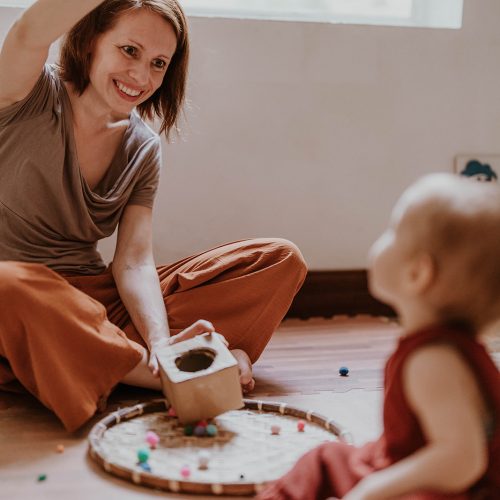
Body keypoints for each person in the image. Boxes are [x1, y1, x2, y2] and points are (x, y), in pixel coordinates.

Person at [0, 0, 307, 432]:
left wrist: (162, 341)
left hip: (95, 306)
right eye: (129, 51)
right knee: (6, 286)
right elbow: (28, 31)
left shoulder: (143, 148)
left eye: (159, 63)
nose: (141, 77)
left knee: (279, 259)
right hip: (24, 301)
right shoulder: (26, 93)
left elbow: (133, 261)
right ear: (90, 41)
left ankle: (130, 362)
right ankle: (155, 372)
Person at [258, 173, 500, 500]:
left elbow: (462, 461)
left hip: (451, 490)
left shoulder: (434, 361)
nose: (382, 238)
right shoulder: (443, 349)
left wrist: (373, 489)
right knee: (326, 458)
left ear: (417, 274)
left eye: (394, 231)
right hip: (404, 462)